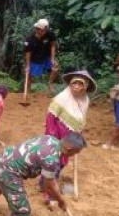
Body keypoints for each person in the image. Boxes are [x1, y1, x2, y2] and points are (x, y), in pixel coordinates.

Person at [0, 133, 86, 216]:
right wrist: (61, 200)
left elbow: (49, 180)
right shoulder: (51, 159)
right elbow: (48, 186)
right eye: (76, 152)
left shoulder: (50, 138)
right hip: (8, 172)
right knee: (22, 210)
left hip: (0, 159)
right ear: (70, 149)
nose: (75, 155)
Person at [41, 69, 95, 202]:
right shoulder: (62, 97)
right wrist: (52, 137)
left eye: (80, 84)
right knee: (54, 162)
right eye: (74, 83)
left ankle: (46, 184)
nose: (76, 87)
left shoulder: (85, 100)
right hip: (57, 134)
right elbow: (50, 117)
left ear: (85, 86)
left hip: (71, 136)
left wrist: (79, 132)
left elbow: (81, 118)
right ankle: (48, 190)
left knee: (63, 162)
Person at [23, 18, 58, 94]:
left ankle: (50, 83)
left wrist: (52, 59)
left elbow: (53, 45)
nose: (39, 31)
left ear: (46, 29)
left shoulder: (50, 34)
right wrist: (28, 65)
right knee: (28, 73)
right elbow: (28, 53)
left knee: (55, 67)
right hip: (34, 59)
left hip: (46, 57)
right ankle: (27, 91)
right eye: (37, 29)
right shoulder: (29, 39)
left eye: (41, 30)